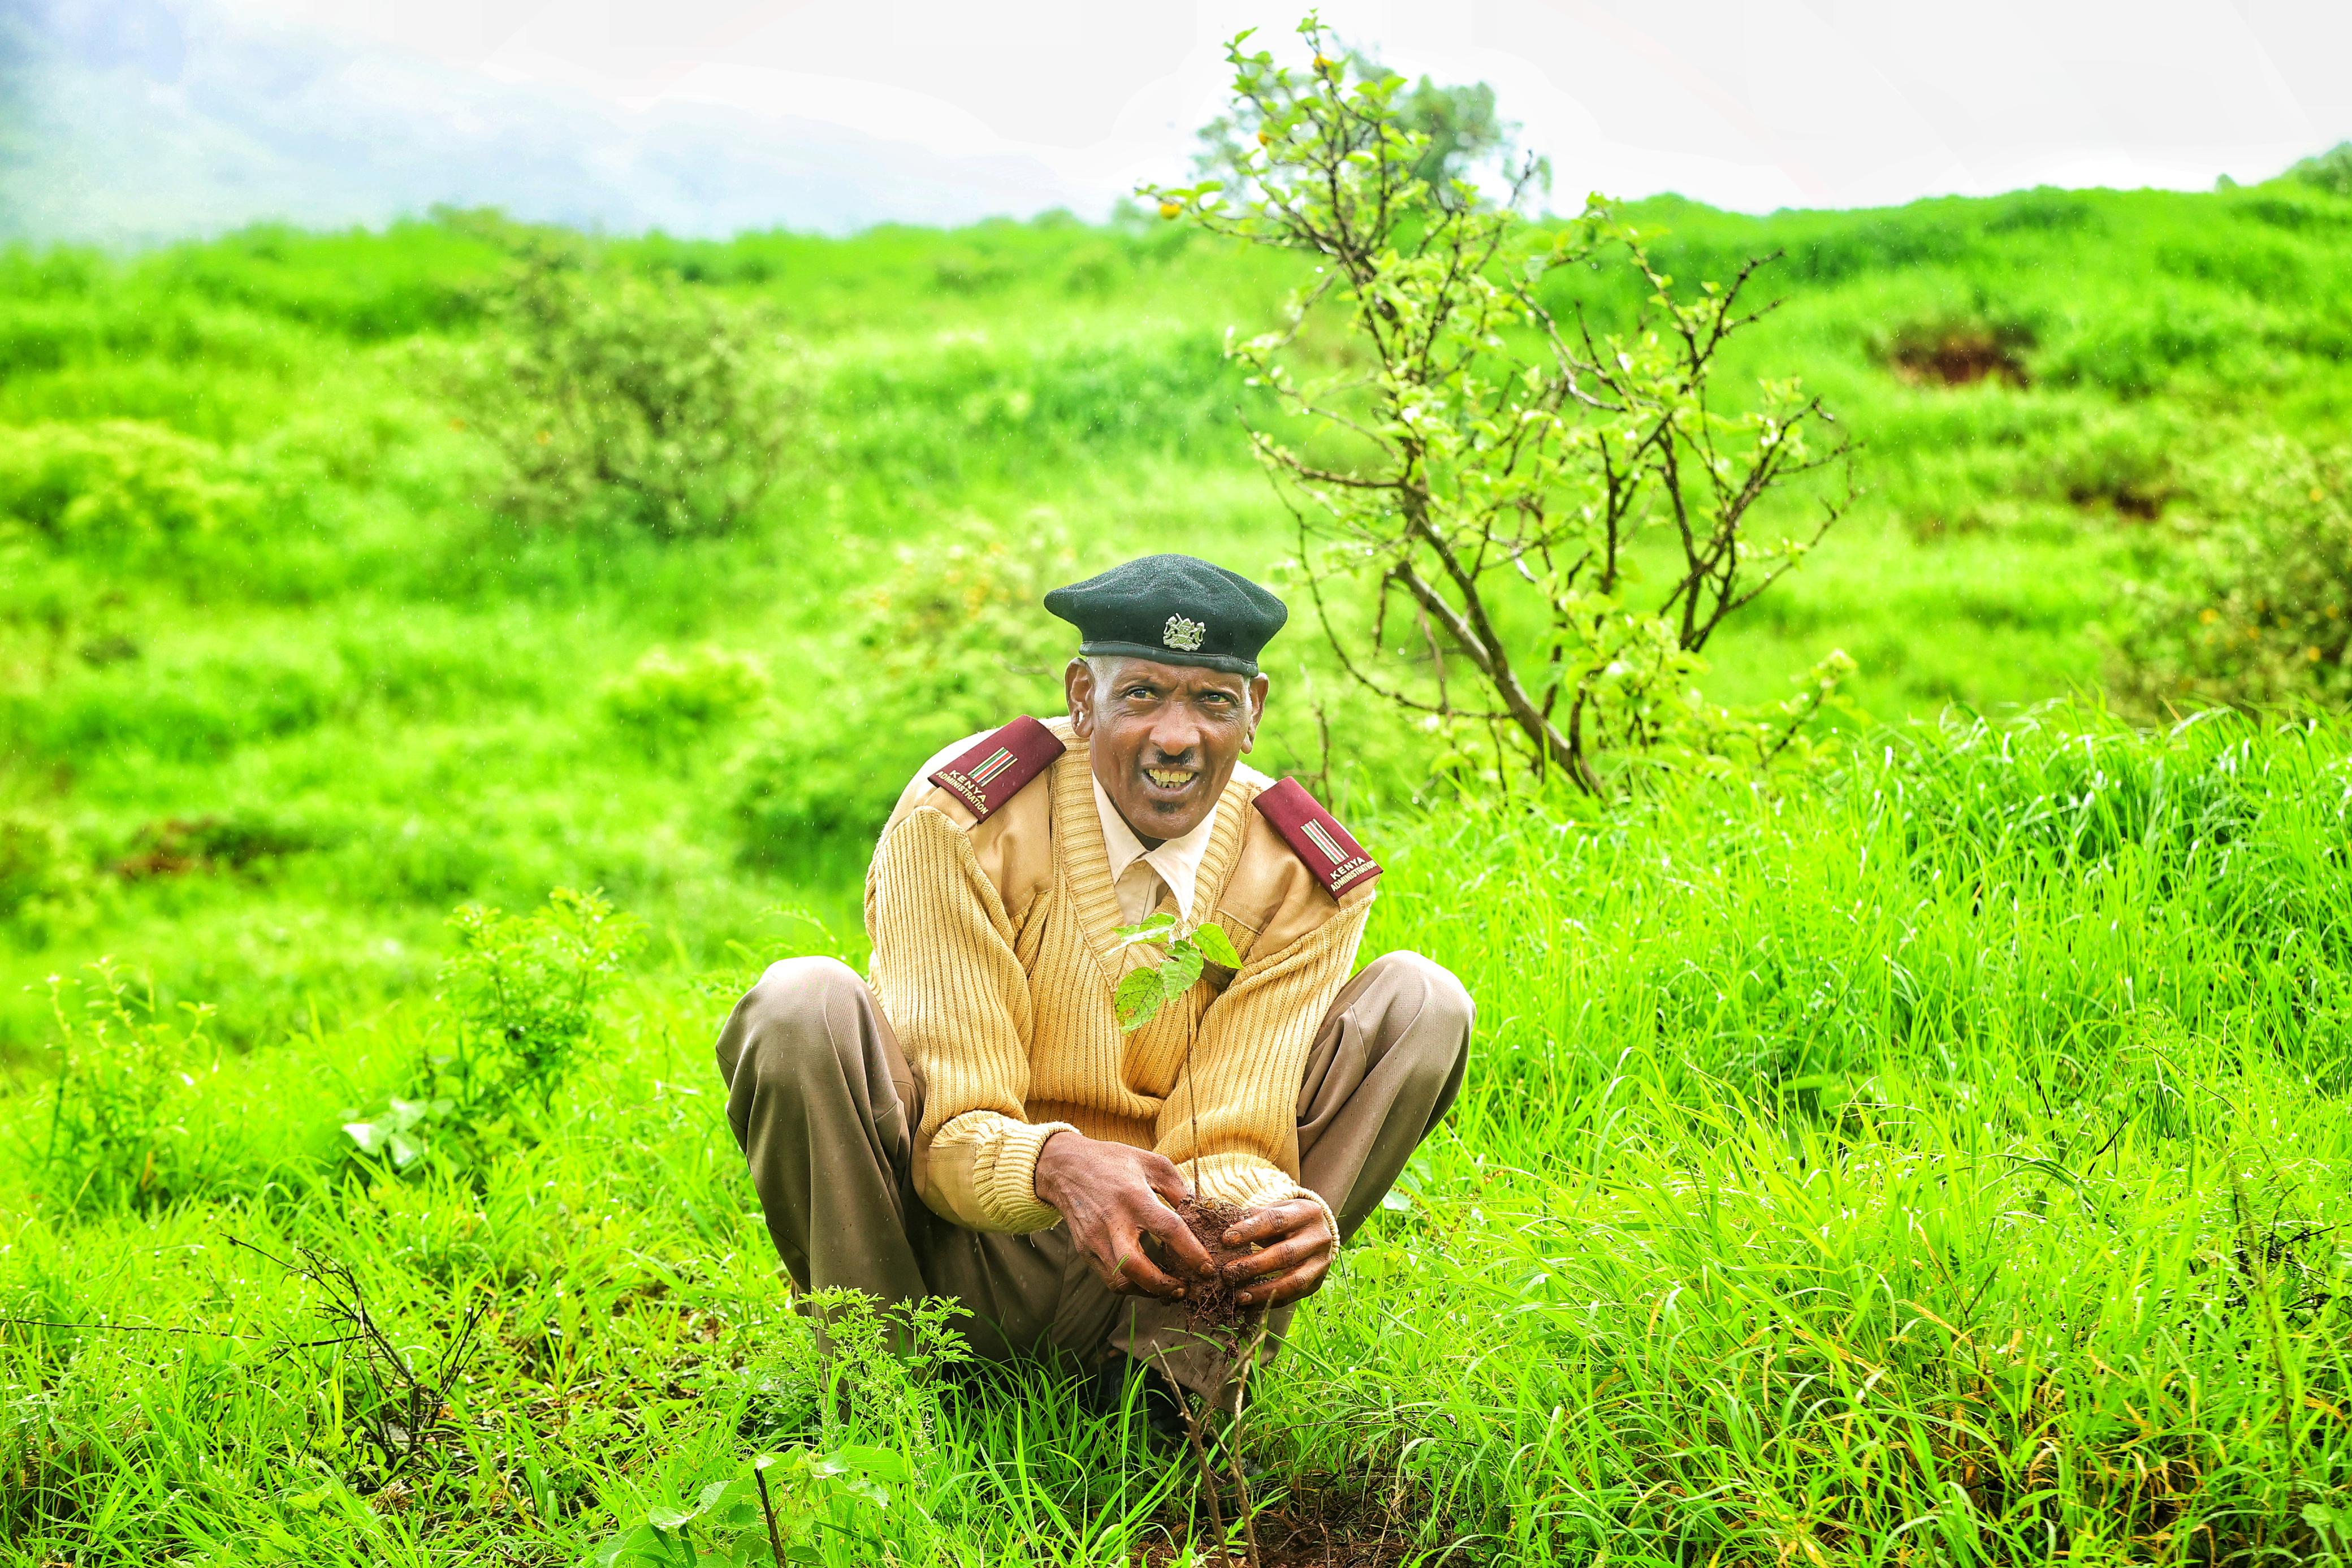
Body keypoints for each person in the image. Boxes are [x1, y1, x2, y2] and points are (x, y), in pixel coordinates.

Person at [714, 553, 1472, 1417]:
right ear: (1082, 695)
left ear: (1253, 711)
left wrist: (1280, 1213)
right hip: (965, 1255)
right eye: (1141, 694)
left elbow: (1233, 1134)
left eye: (1213, 701)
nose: (1177, 737)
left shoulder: (1300, 871)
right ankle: (882, 1400)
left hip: (1163, 1269)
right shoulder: (962, 817)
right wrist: (1058, 1162)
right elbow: (952, 1131)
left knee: (1424, 1001)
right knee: (797, 1004)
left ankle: (1170, 1395)